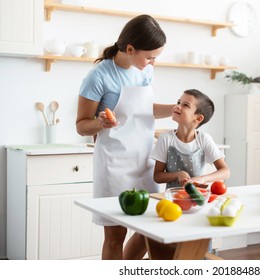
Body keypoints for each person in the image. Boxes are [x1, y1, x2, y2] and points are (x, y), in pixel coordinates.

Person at [75, 15, 174, 260]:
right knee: (116, 235)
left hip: (144, 160)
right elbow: (80, 125)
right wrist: (99, 123)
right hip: (114, 164)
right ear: (130, 49)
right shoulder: (98, 76)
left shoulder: (144, 71)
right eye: (149, 56)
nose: (152, 62)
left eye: (155, 57)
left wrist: (177, 109)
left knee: (149, 229)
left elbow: (145, 109)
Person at [151, 89, 230, 188]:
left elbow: (225, 171)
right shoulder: (165, 138)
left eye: (185, 105)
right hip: (172, 198)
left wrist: (202, 179)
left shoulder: (204, 139)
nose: (177, 106)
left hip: (197, 197)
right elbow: (157, 176)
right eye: (178, 102)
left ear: (198, 118)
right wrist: (179, 174)